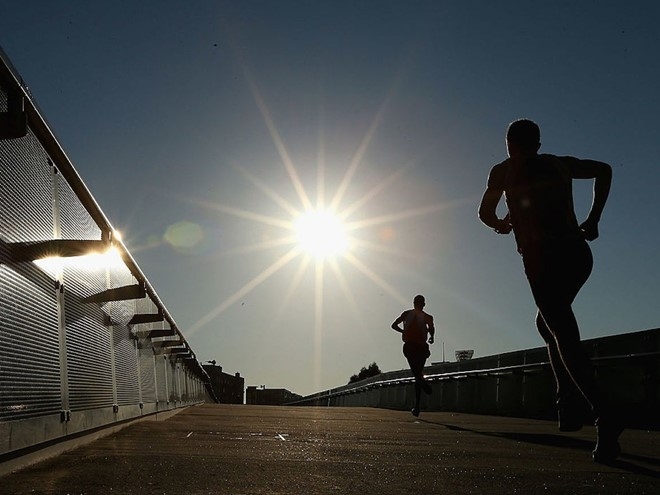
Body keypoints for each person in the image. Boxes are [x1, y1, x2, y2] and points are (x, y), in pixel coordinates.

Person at [478, 118, 619, 462]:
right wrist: (594, 217)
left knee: (561, 331)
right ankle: (567, 401)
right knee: (549, 324)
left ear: (508, 143)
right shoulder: (558, 163)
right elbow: (604, 170)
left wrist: (502, 224)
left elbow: (484, 212)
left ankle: (604, 416)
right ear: (538, 144)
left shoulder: (503, 171)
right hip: (578, 255)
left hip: (542, 260)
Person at [391, 294, 435, 417]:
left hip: (410, 346)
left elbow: (393, 325)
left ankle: (417, 405)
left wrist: (403, 331)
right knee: (418, 374)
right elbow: (431, 329)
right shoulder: (428, 317)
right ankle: (417, 406)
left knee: (417, 373)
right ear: (424, 304)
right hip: (422, 347)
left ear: (413, 303)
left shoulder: (406, 314)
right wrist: (432, 337)